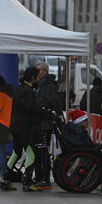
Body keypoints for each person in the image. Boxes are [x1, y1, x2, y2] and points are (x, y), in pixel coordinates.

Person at [1, 67, 45, 192]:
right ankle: (28, 183)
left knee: (16, 153)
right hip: (24, 128)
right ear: (32, 78)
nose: (38, 80)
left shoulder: (19, 88)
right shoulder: (28, 90)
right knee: (31, 154)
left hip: (14, 127)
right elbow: (30, 108)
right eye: (37, 77)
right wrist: (44, 112)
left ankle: (5, 180)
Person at [33, 61, 63, 190]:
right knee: (39, 151)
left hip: (45, 123)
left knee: (44, 151)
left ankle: (45, 179)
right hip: (41, 122)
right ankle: (39, 177)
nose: (37, 73)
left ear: (45, 71)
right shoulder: (41, 84)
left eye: (39, 70)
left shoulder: (48, 85)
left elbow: (49, 102)